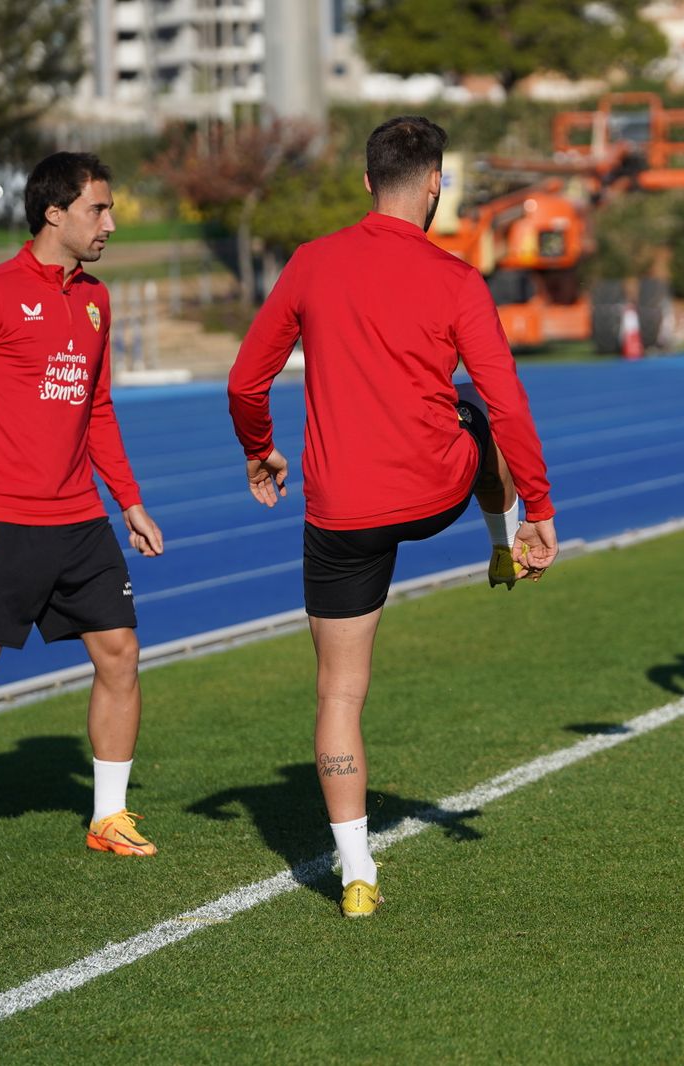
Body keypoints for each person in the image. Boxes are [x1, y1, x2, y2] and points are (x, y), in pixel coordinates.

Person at [227, 116, 557, 919]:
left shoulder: (311, 262)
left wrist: (259, 451)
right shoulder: (458, 279)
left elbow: (244, 382)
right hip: (437, 493)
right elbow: (510, 403)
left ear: (368, 183)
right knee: (477, 415)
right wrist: (537, 510)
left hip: (342, 512)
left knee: (339, 693)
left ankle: (356, 875)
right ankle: (499, 537)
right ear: (436, 184)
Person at [0, 152, 165, 875]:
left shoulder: (96, 299)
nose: (109, 223)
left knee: (121, 655)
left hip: (81, 521)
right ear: (55, 213)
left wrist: (130, 502)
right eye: (98, 210)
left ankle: (108, 815)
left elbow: (97, 409)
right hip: (2, 522)